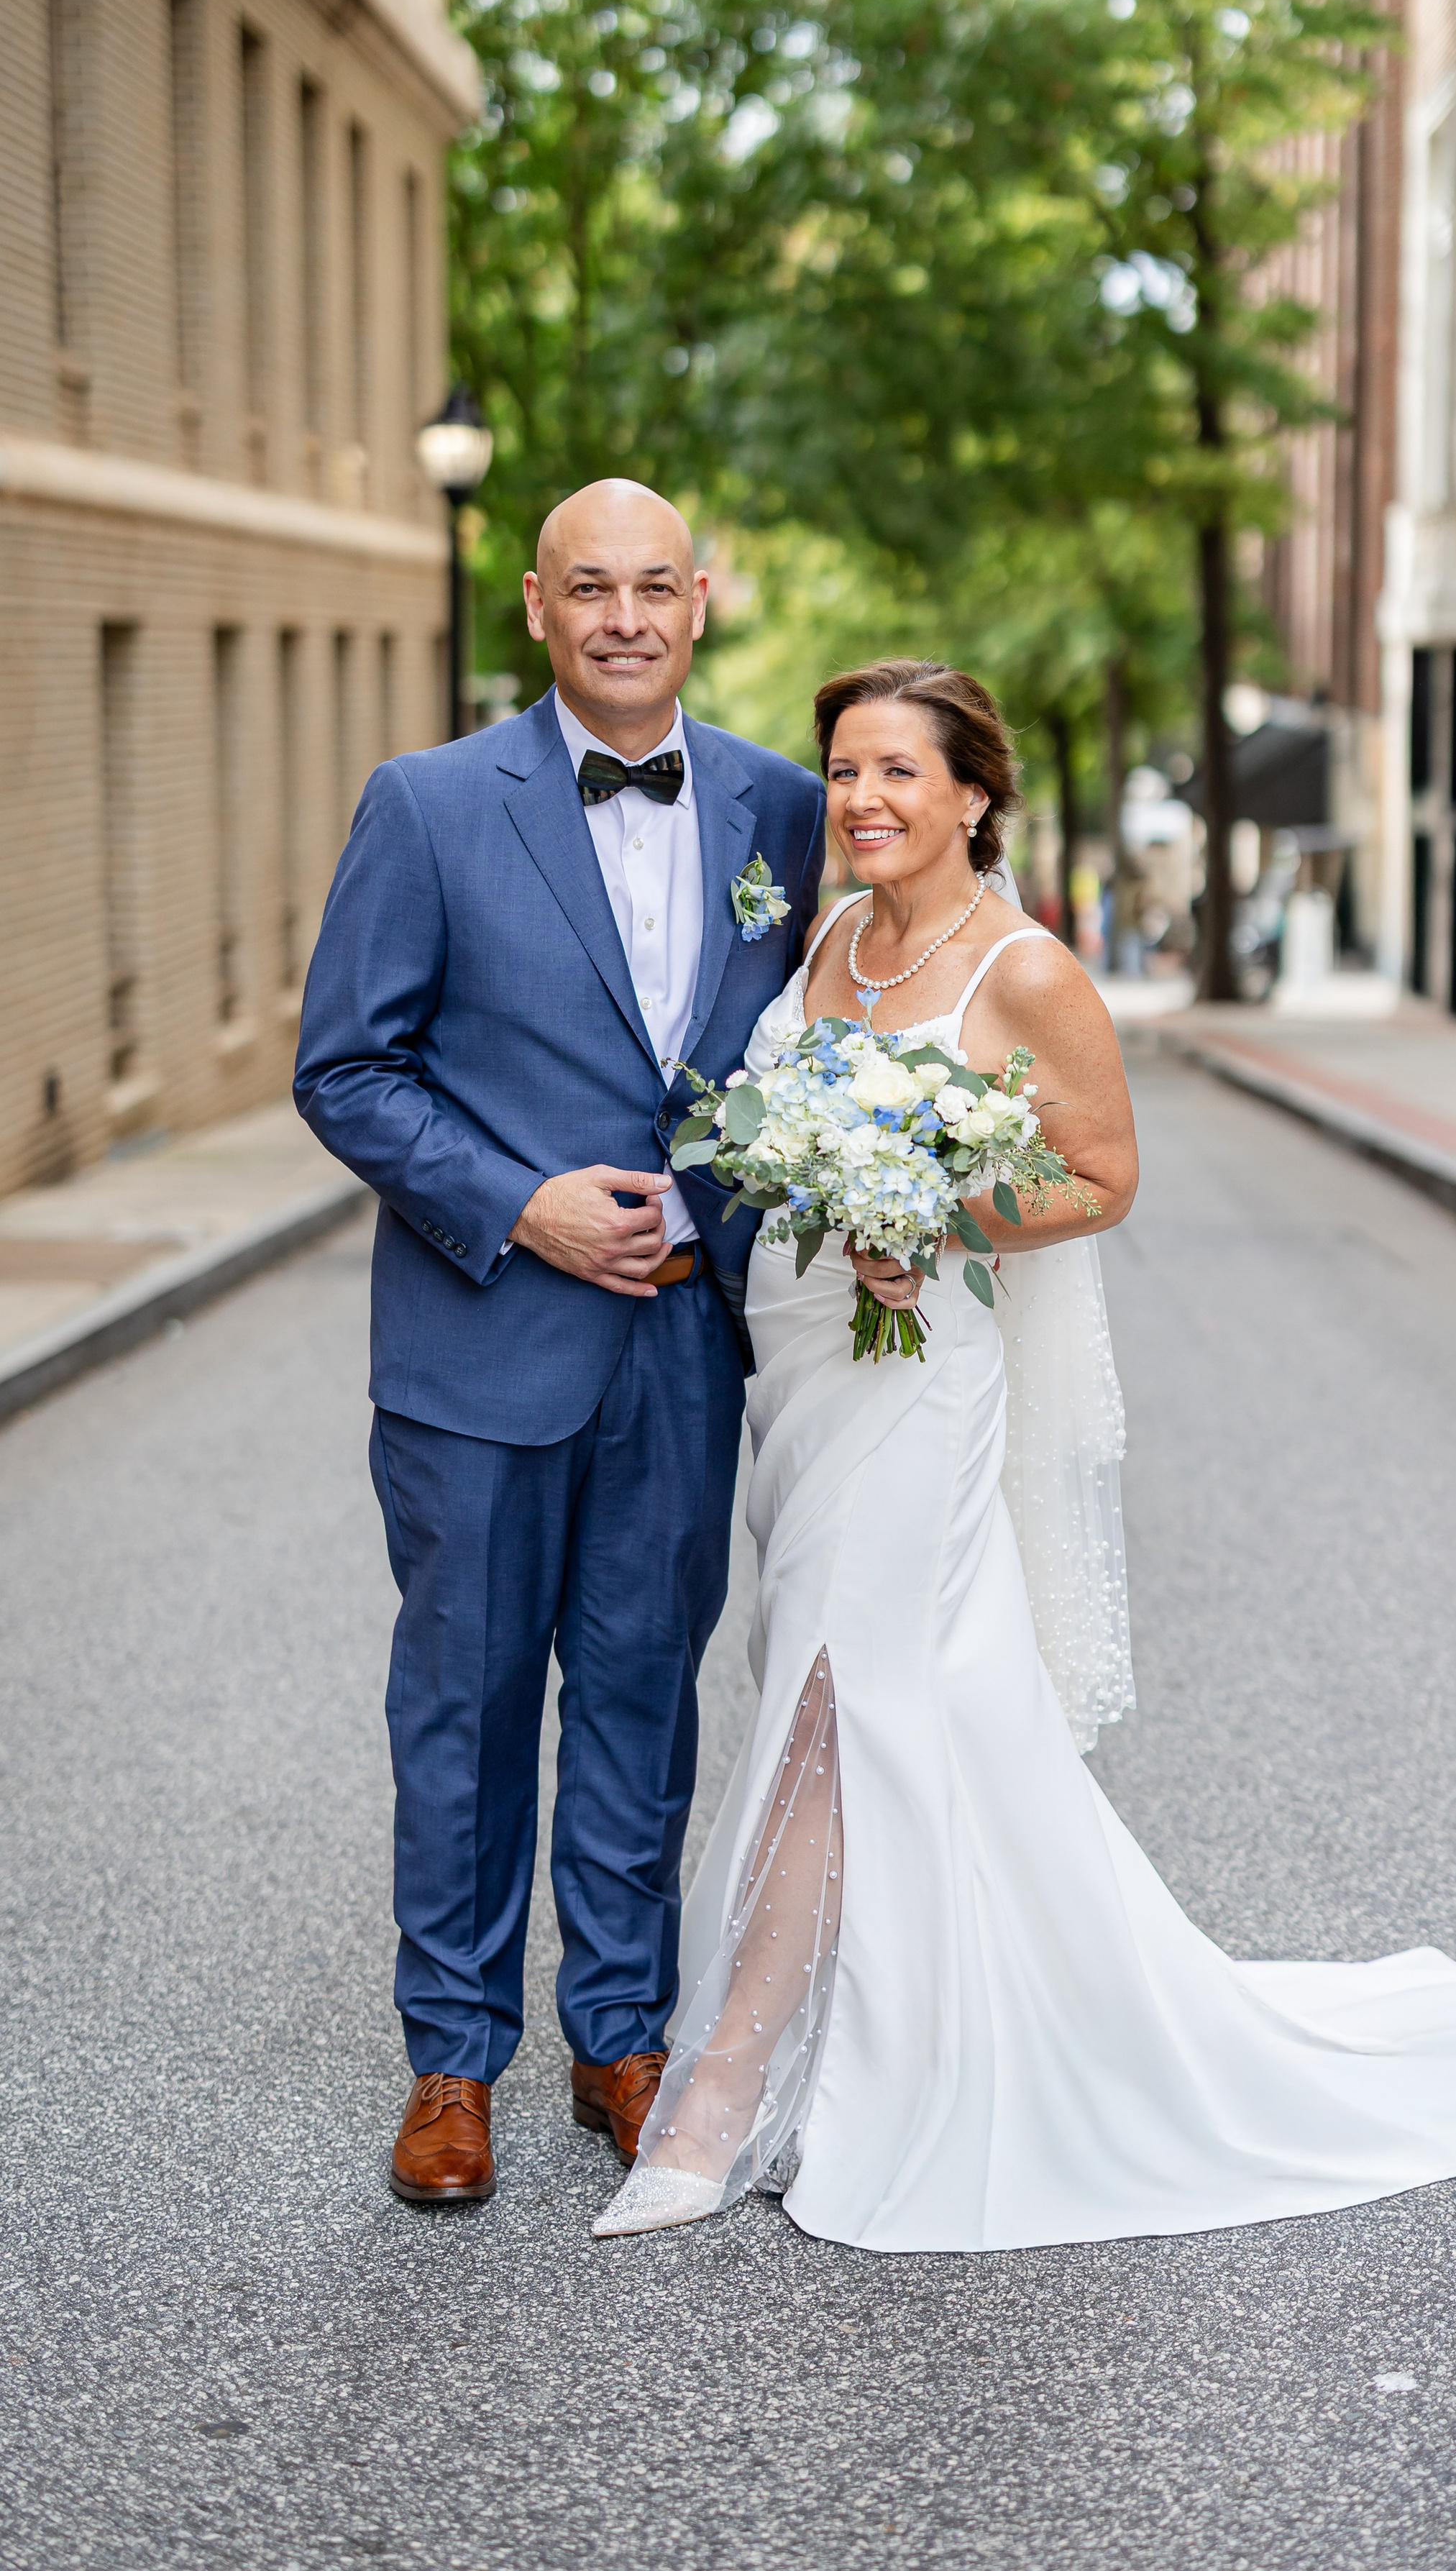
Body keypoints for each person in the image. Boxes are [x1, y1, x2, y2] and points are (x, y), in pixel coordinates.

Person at [592, 658, 1456, 2250]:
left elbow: (1100, 1178)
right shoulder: (833, 935)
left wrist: (929, 1214)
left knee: (843, 1686)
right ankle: (917, 2020)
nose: (859, 801)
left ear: (974, 791)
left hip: (921, 1372)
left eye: (897, 771)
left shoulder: (1026, 970)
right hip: (809, 1362)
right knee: (874, 1688)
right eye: (842, 772)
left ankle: (718, 2102)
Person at [294, 480, 828, 2204]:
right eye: (587, 588)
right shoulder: (429, 804)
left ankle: (620, 2031)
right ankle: (451, 2060)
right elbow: (346, 1069)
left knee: (637, 1695)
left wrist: (740, 1207)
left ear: (700, 602)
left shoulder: (784, 811)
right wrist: (518, 1202)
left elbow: (822, 1054)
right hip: (478, 1343)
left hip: (682, 1349)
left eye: (652, 588)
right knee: (459, 1705)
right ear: (535, 605)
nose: (622, 618)